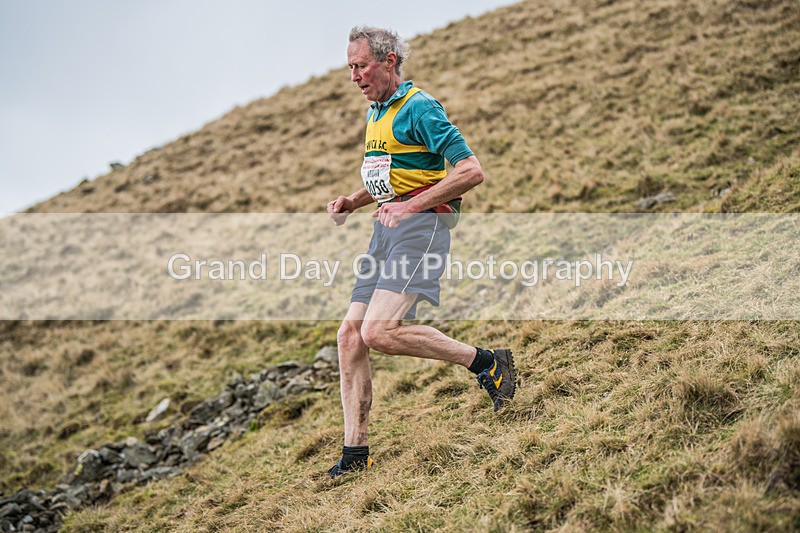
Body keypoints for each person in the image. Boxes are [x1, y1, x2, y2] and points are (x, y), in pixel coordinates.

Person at [325, 26, 516, 478]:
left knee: (379, 331)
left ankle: (486, 362)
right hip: (386, 233)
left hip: (422, 228)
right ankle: (356, 456)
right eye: (350, 67)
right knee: (350, 336)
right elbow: (397, 176)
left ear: (389, 61)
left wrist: (410, 206)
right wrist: (355, 200)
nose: (354, 75)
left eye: (361, 65)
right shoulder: (377, 111)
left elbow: (472, 170)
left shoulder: (420, 108)